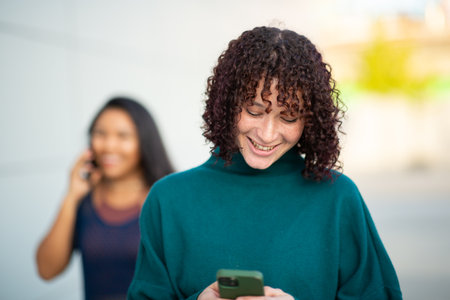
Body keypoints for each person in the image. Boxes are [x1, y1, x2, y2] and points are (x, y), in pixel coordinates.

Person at [127, 27, 402, 300]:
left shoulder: (338, 198)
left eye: (289, 117)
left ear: (310, 120)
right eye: (254, 111)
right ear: (227, 102)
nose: (267, 134)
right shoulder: (169, 200)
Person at [36, 97, 174, 300]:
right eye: (100, 133)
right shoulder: (83, 199)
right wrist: (71, 196)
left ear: (145, 142)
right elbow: (46, 270)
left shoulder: (166, 198)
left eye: (123, 136)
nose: (109, 146)